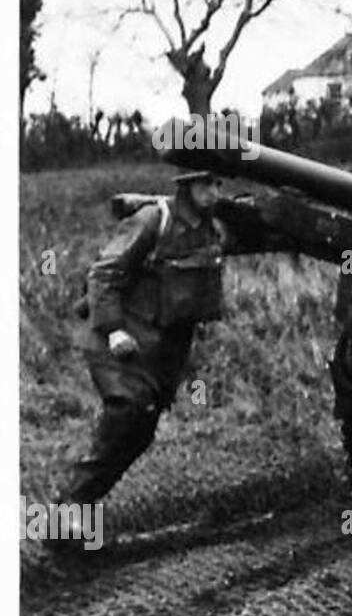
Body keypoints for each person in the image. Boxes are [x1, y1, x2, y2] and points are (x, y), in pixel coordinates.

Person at [57, 171, 228, 548]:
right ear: (185, 185)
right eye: (205, 184)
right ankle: (63, 516)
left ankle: (75, 518)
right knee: (125, 414)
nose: (213, 192)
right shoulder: (154, 218)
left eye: (218, 184)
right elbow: (104, 273)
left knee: (140, 431)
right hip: (121, 338)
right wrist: (115, 328)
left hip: (163, 348)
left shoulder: (212, 228)